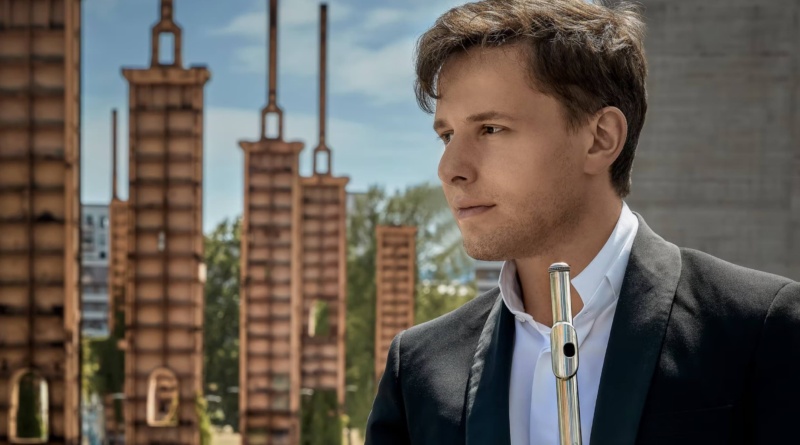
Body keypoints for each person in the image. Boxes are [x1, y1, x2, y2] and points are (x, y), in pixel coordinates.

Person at [364, 0, 800, 444]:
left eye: (491, 129)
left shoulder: (763, 329)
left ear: (600, 138)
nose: (449, 169)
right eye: (447, 135)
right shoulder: (417, 367)